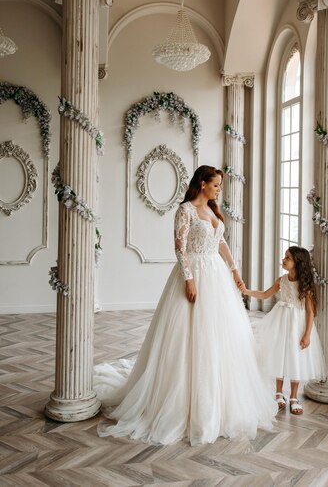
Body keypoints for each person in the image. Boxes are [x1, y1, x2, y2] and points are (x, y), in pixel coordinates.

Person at [94, 165, 277, 445]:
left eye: (220, 186)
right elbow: (179, 247)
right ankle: (180, 402)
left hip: (216, 275)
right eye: (216, 185)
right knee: (187, 337)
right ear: (202, 184)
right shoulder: (186, 210)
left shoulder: (214, 211)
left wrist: (235, 270)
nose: (219, 190)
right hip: (195, 273)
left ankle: (221, 400)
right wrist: (189, 279)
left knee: (221, 337)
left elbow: (221, 242)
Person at [241, 246, 326, 415]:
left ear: (297, 263)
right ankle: (278, 392)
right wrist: (245, 291)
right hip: (281, 321)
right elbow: (265, 294)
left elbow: (310, 311)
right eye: (285, 256)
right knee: (279, 355)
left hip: (298, 324)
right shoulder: (282, 280)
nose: (283, 259)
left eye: (287, 258)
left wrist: (307, 334)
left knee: (296, 358)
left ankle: (294, 397)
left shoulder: (305, 284)